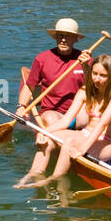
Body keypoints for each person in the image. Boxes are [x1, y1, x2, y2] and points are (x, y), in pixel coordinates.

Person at [20, 54, 111, 187]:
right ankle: (33, 174)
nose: (97, 79)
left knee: (69, 143)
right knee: (48, 138)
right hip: (85, 134)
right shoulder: (85, 91)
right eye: (95, 74)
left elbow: (103, 123)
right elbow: (65, 121)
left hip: (108, 142)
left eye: (103, 75)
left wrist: (82, 149)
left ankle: (54, 179)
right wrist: (43, 132)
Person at [14, 18, 92, 185]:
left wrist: (86, 67)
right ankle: (38, 172)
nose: (63, 39)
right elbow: (29, 86)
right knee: (50, 119)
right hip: (53, 112)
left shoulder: (84, 60)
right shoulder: (42, 59)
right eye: (60, 36)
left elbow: (95, 89)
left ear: (76, 39)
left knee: (89, 119)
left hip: (77, 113)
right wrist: (22, 106)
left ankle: (76, 146)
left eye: (68, 36)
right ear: (56, 37)